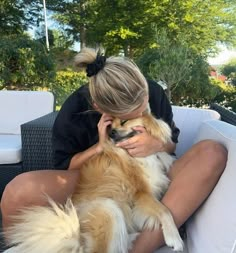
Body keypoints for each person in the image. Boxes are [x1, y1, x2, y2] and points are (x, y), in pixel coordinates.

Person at [1, 47, 227, 253]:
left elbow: (171, 144)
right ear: (100, 109)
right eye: (131, 116)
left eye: (144, 102)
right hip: (101, 180)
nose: (146, 106)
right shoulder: (74, 111)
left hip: (154, 173)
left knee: (212, 153)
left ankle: (138, 247)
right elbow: (65, 165)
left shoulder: (152, 92)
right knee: (17, 191)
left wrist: (156, 143)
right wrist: (99, 147)